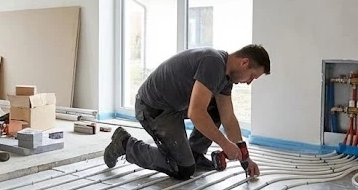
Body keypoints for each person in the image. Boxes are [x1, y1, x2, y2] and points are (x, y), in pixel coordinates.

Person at [104, 44, 270, 180]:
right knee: (183, 168)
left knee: (217, 110)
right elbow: (196, 113)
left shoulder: (225, 76)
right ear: (244, 63)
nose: (249, 82)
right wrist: (225, 144)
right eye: (252, 76)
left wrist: (244, 158)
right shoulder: (213, 63)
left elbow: (228, 117)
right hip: (153, 108)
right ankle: (125, 144)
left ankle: (195, 153)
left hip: (174, 107)